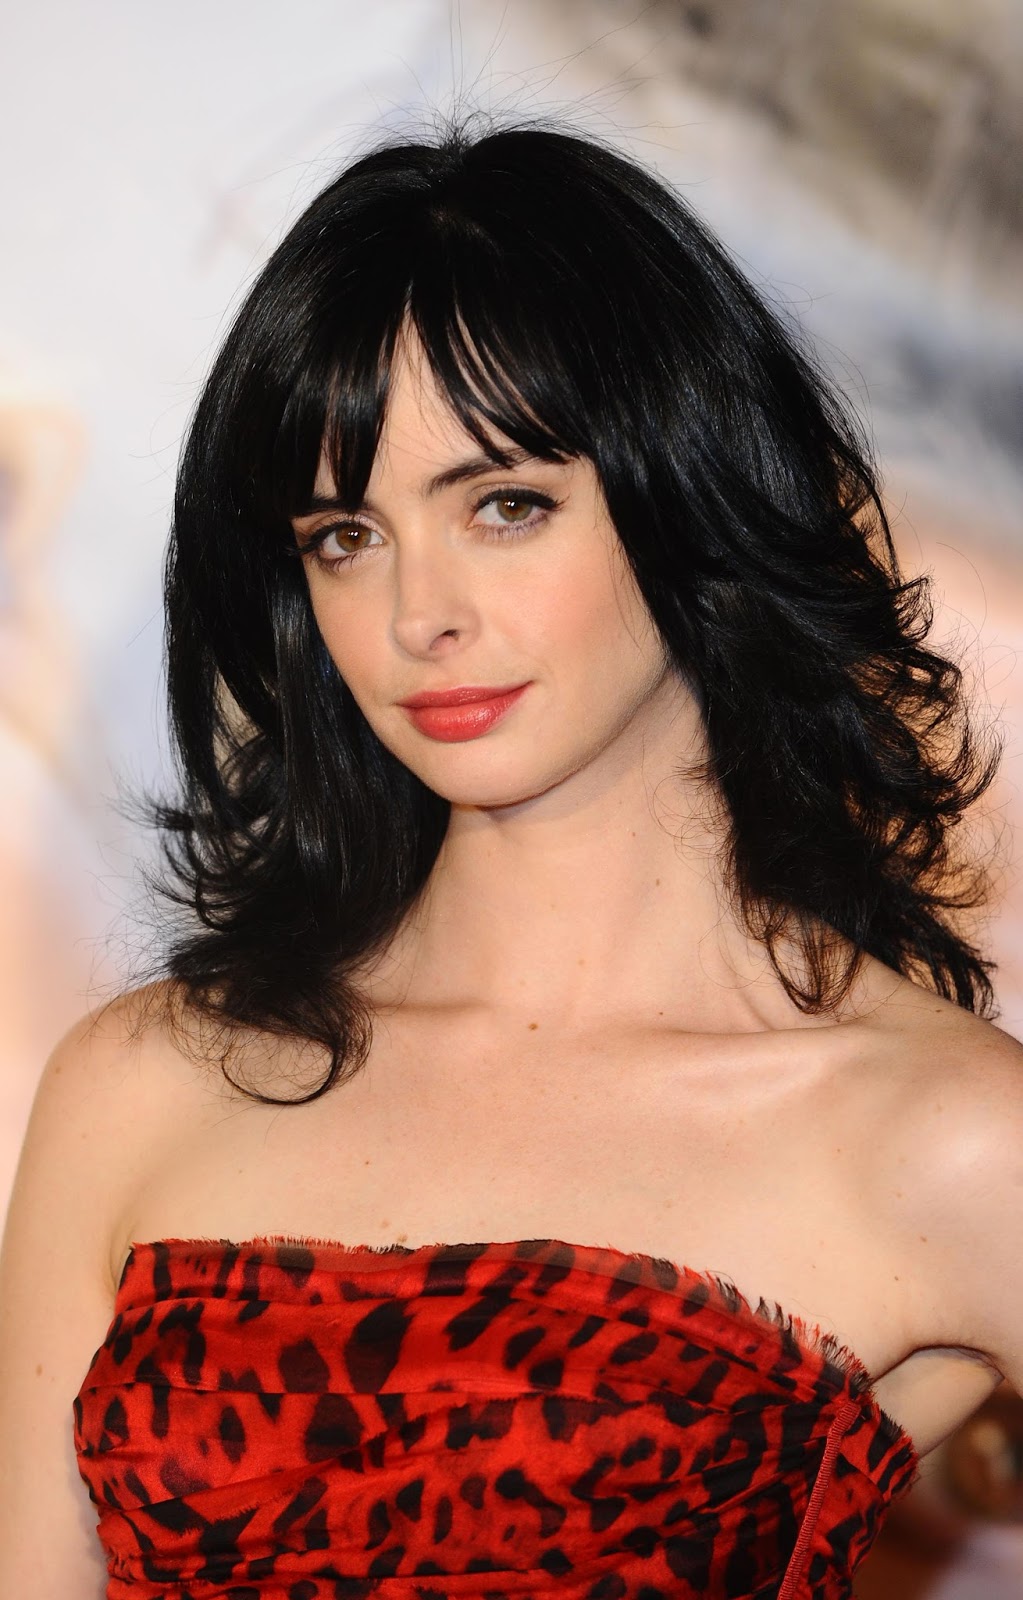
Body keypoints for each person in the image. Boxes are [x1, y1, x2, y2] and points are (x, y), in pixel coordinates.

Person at [0, 117, 1020, 1600]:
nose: (420, 614)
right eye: (345, 536)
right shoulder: (138, 1088)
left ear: (685, 497)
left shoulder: (944, 1138)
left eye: (505, 506)